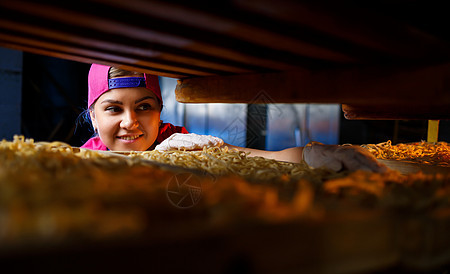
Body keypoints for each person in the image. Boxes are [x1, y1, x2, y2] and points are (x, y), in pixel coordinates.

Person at [81, 64, 387, 173]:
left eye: (144, 106)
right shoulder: (80, 161)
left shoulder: (177, 144)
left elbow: (261, 157)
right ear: (93, 117)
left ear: (160, 113)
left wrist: (310, 153)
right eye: (113, 109)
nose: (131, 121)